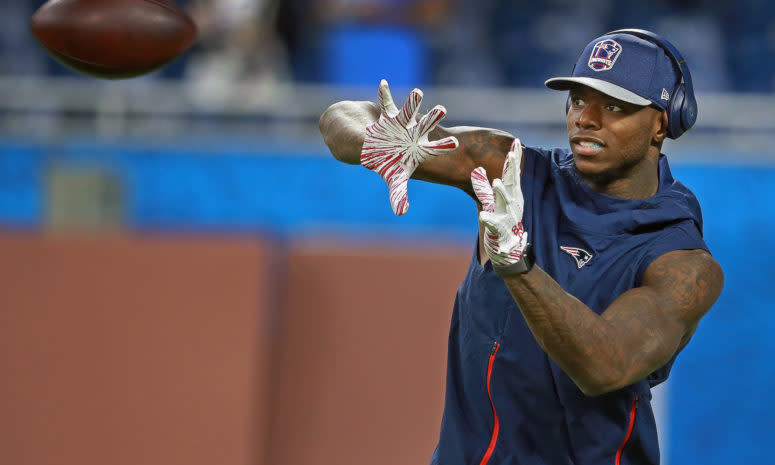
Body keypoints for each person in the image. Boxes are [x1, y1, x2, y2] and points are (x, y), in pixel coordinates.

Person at [318, 28, 723, 465]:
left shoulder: (682, 261)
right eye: (578, 100)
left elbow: (605, 367)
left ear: (662, 122)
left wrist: (517, 266)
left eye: (613, 106)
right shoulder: (510, 167)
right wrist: (379, 141)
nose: (585, 119)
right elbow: (341, 117)